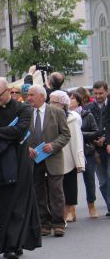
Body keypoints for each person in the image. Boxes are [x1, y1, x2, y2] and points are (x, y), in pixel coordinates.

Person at [0, 78, 41, 259]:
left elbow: (20, 131)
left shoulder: (23, 109)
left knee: (19, 204)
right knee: (4, 205)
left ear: (8, 91)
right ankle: (8, 245)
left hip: (20, 162)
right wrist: (5, 135)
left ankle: (15, 245)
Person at [27, 85, 70, 237]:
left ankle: (58, 223)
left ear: (41, 96)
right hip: (34, 159)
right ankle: (44, 223)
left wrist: (53, 145)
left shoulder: (57, 112)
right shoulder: (26, 113)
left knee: (56, 192)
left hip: (53, 158)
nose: (29, 97)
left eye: (32, 95)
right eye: (28, 95)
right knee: (38, 192)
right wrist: (27, 148)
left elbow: (65, 135)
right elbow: (20, 135)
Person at [49, 91, 84, 223]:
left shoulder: (72, 118)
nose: (50, 104)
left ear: (63, 104)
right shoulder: (47, 116)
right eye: (50, 101)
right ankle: (56, 217)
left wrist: (79, 161)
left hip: (68, 158)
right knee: (53, 190)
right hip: (52, 157)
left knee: (69, 188)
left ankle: (63, 217)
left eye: (54, 102)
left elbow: (76, 140)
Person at [71, 91, 100, 218]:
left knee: (89, 180)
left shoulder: (87, 115)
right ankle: (71, 209)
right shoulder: (63, 115)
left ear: (78, 101)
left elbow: (95, 132)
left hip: (86, 151)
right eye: (68, 99)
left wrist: (79, 134)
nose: (70, 101)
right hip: (70, 152)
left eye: (72, 99)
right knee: (70, 182)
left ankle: (91, 206)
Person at [87, 81, 108, 216]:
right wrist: (94, 140)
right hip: (96, 150)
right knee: (103, 181)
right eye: (95, 94)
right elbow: (86, 127)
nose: (98, 96)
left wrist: (105, 137)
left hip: (108, 145)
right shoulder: (88, 108)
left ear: (107, 91)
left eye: (101, 93)